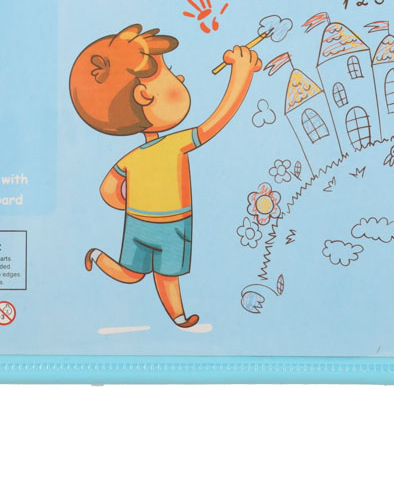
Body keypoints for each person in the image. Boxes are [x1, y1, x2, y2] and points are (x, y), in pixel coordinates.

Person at [69, 24, 261, 328]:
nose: (180, 78)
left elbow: (108, 191)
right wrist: (241, 75)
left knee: (135, 274)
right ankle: (175, 313)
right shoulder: (174, 144)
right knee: (165, 274)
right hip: (172, 224)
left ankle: (172, 311)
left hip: (139, 222)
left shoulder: (132, 158)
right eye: (168, 74)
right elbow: (217, 121)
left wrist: (132, 203)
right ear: (145, 95)